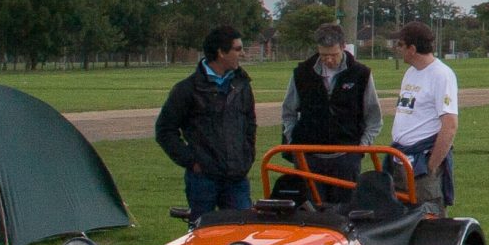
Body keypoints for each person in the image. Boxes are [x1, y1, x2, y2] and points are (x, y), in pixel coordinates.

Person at [154, 26, 257, 220]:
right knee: (203, 234)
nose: (242, 54)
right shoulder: (187, 89)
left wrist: (247, 155)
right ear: (221, 52)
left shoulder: (242, 85)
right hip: (203, 179)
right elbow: (165, 130)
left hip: (237, 177)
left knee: (242, 232)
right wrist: (192, 162)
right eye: (237, 49)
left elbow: (250, 124)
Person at [279, 21, 380, 193]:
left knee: (344, 214)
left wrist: (360, 149)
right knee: (311, 215)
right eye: (324, 55)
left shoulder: (361, 74)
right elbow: (288, 112)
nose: (328, 60)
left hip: (346, 158)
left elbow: (373, 117)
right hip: (309, 157)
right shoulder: (302, 73)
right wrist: (293, 142)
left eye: (333, 54)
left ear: (343, 47)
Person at [389, 20, 459, 208]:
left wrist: (432, 165)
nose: (397, 49)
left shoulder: (441, 74)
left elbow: (450, 125)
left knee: (428, 219)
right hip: (401, 159)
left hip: (421, 162)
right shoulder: (411, 72)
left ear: (412, 49)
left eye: (400, 45)